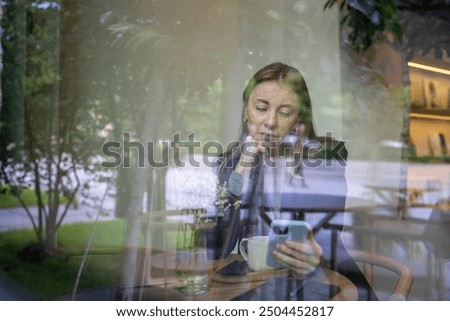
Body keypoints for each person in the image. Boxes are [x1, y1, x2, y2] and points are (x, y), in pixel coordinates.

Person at [210, 62, 375, 300]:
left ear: (298, 121)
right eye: (261, 108)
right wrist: (244, 165)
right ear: (246, 111)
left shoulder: (324, 158)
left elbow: (326, 239)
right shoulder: (231, 162)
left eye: (284, 112)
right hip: (255, 283)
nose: (270, 122)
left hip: (317, 279)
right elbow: (216, 239)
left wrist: (314, 254)